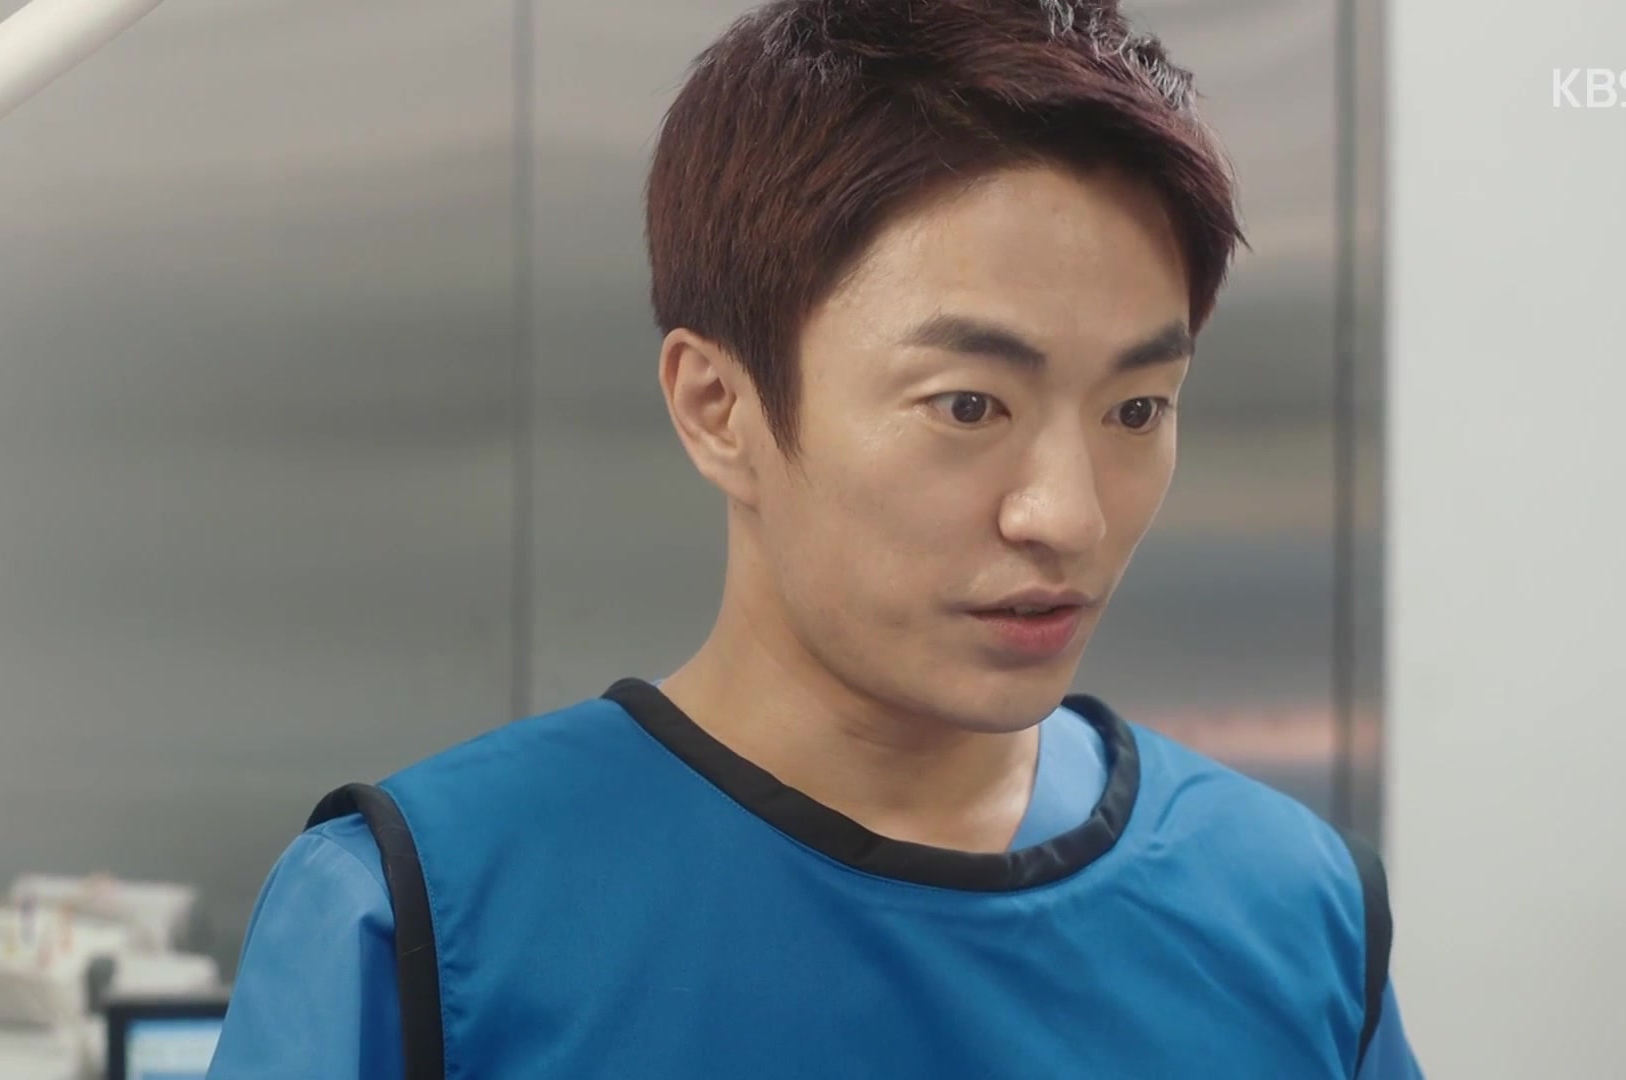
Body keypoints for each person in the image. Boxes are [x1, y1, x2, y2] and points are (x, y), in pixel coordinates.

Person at [209, 0, 1425, 1076]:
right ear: (717, 407)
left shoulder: (1290, 910)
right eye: (969, 406)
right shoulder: (424, 923)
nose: (1066, 515)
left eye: (1137, 409)